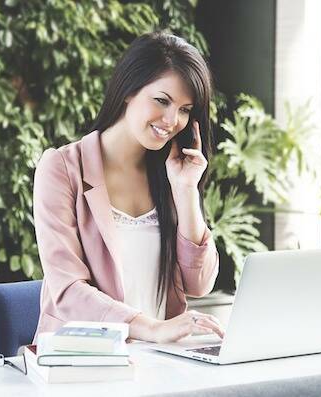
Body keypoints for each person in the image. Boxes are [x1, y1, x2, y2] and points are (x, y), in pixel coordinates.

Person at [32, 32, 224, 344]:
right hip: (84, 360)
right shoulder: (63, 168)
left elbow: (199, 284)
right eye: (162, 101)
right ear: (128, 91)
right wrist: (151, 328)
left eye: (186, 109)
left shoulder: (170, 173)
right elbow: (66, 290)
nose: (173, 120)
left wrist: (186, 191)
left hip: (161, 362)